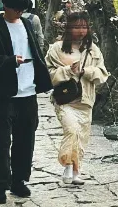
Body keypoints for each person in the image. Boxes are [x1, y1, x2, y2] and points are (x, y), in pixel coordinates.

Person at [0, 0, 53, 204]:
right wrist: (11, 61)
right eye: (16, 9)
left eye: (22, 9)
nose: (19, 13)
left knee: (26, 138)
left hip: (28, 92)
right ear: (6, 7)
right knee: (2, 140)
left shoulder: (28, 24)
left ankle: (19, 181)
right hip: (4, 94)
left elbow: (37, 51)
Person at [45, 12, 109, 186]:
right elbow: (48, 75)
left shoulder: (93, 50)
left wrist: (84, 72)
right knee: (71, 130)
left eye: (84, 27)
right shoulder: (56, 49)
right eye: (76, 27)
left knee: (80, 137)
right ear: (68, 28)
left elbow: (102, 74)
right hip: (65, 99)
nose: (80, 31)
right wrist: (67, 70)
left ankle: (75, 171)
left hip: (85, 100)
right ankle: (67, 166)